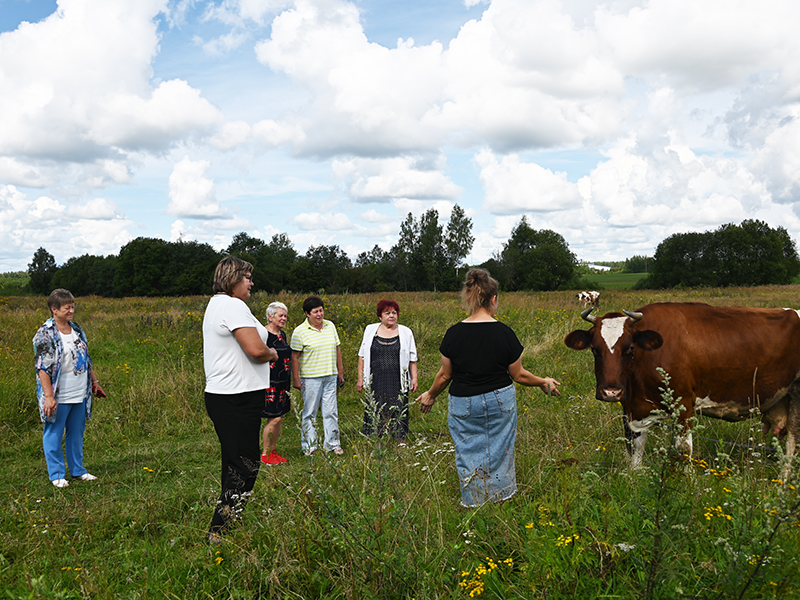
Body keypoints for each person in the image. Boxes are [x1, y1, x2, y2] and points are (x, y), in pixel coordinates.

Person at [416, 268, 561, 508]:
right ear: (493, 299)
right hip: (500, 400)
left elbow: (445, 375)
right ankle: (501, 498)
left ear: (470, 298)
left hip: (464, 403)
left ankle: (474, 502)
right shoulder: (504, 333)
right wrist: (543, 381)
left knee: (467, 449)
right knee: (501, 447)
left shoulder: (454, 333)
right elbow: (519, 375)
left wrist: (430, 395)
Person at [203, 256, 278, 542]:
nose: (252, 282)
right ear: (233, 278)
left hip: (229, 396)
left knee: (236, 462)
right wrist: (272, 353)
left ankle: (227, 521)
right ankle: (219, 531)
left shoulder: (217, 305)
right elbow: (256, 350)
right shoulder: (233, 306)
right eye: (247, 276)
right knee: (245, 465)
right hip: (236, 397)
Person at [34, 288, 106, 488]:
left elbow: (86, 360)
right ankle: (57, 474)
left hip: (79, 392)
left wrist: (94, 382)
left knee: (76, 433)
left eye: (72, 307)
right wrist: (49, 397)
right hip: (59, 394)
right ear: (54, 309)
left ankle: (77, 470)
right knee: (54, 433)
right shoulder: (45, 334)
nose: (71, 311)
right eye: (67, 308)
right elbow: (43, 368)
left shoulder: (77, 329)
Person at [357, 299, 418, 442]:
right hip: (376, 378)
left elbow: (412, 358)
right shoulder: (370, 330)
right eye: (387, 313)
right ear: (380, 316)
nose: (391, 316)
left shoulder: (406, 332)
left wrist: (414, 378)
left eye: (394, 313)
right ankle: (377, 441)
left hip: (397, 379)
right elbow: (362, 357)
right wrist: (361, 378)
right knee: (375, 408)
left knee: (398, 408)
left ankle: (399, 441)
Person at [291, 296, 345, 455]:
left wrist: (340, 372)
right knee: (310, 413)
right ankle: (310, 446)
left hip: (330, 376)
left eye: (321, 310)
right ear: (307, 313)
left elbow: (337, 349)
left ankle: (333, 444)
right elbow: (294, 357)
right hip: (310, 378)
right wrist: (295, 379)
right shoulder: (300, 331)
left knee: (331, 411)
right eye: (315, 312)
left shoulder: (330, 326)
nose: (320, 314)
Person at [261, 301, 292, 465]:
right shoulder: (263, 335)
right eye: (281, 315)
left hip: (283, 381)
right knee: (274, 418)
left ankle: (273, 451)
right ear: (270, 316)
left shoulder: (283, 335)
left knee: (279, 417)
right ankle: (265, 454)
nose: (284, 318)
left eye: (285, 316)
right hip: (269, 382)